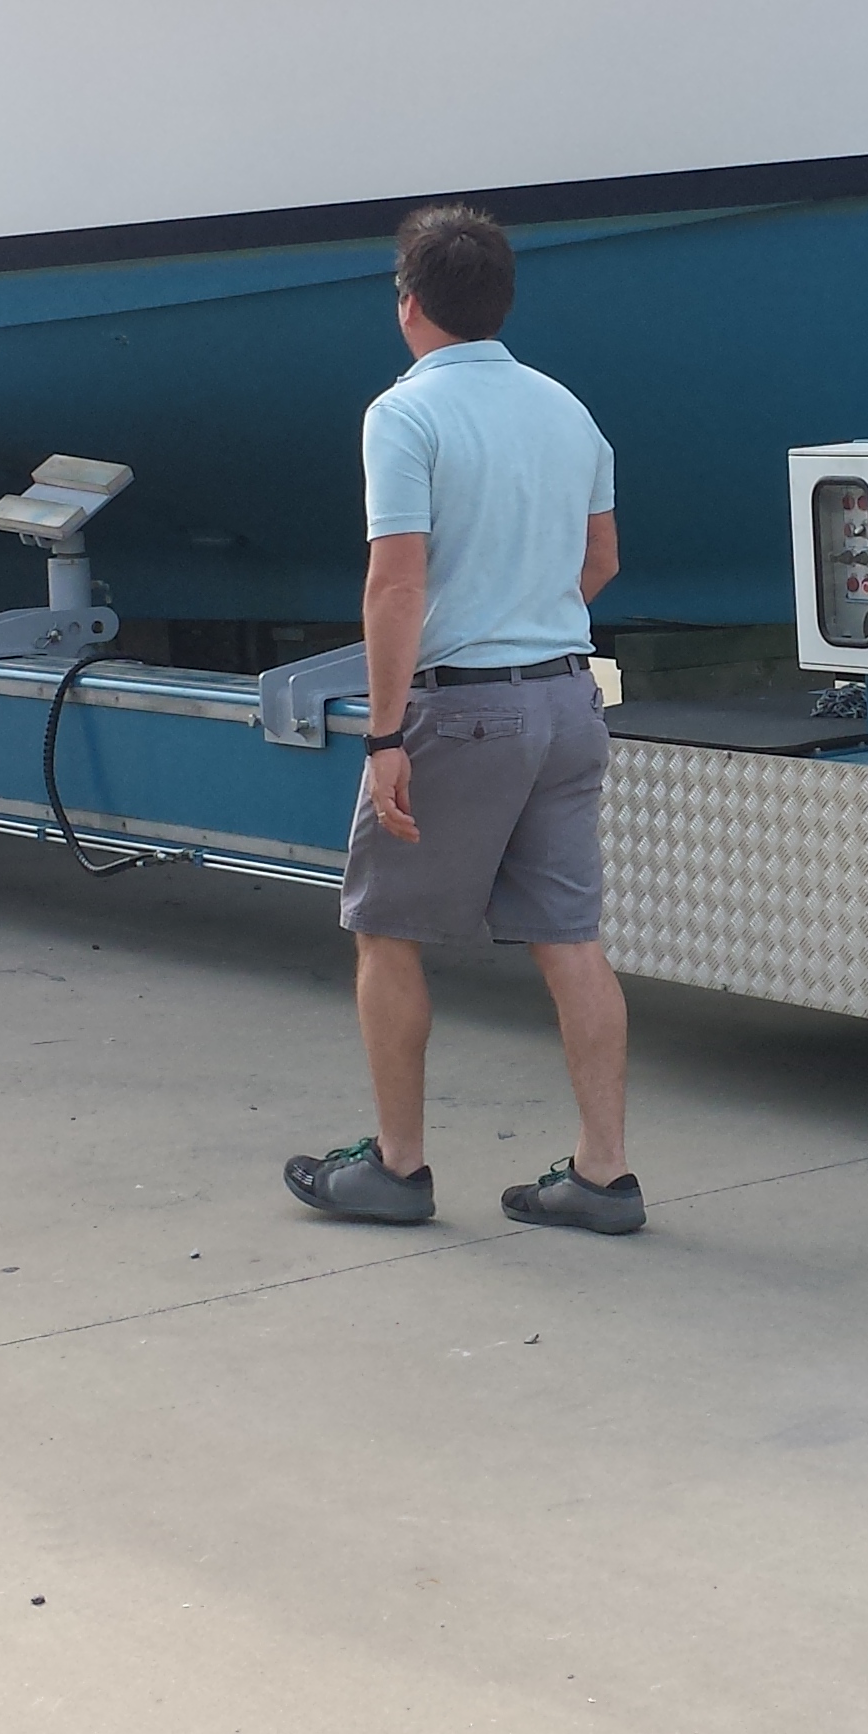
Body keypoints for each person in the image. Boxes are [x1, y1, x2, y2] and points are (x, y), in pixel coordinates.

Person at [284, 206, 644, 1234]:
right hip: (567, 700)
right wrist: (532, 617)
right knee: (570, 939)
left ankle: (396, 1169)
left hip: (461, 712)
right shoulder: (567, 409)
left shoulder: (404, 415)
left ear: (409, 304)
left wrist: (385, 733)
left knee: (385, 931)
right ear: (501, 302)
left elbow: (396, 583)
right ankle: (603, 1175)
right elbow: (603, 559)